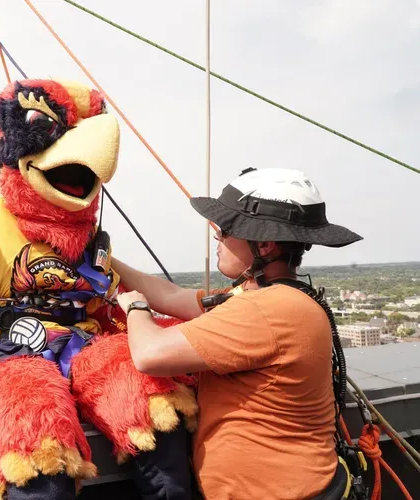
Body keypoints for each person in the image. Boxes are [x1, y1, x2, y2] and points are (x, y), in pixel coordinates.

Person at [113, 167, 363, 500]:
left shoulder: (267, 310)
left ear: (265, 244)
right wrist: (107, 260)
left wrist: (136, 308)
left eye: (225, 230)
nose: (217, 238)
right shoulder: (264, 297)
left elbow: (150, 354)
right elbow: (172, 296)